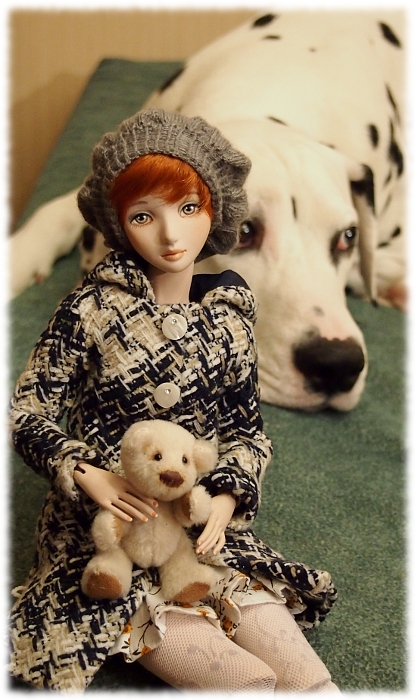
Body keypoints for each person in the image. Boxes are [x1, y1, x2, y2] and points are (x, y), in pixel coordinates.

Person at [9, 108, 339, 693]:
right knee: (246, 681)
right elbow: (25, 412)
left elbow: (247, 431)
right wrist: (85, 472)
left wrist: (228, 496)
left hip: (195, 521)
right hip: (105, 531)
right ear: (119, 224)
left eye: (188, 208)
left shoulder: (229, 318)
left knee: (306, 676)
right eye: (144, 215)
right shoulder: (89, 310)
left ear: (215, 211)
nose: (170, 235)